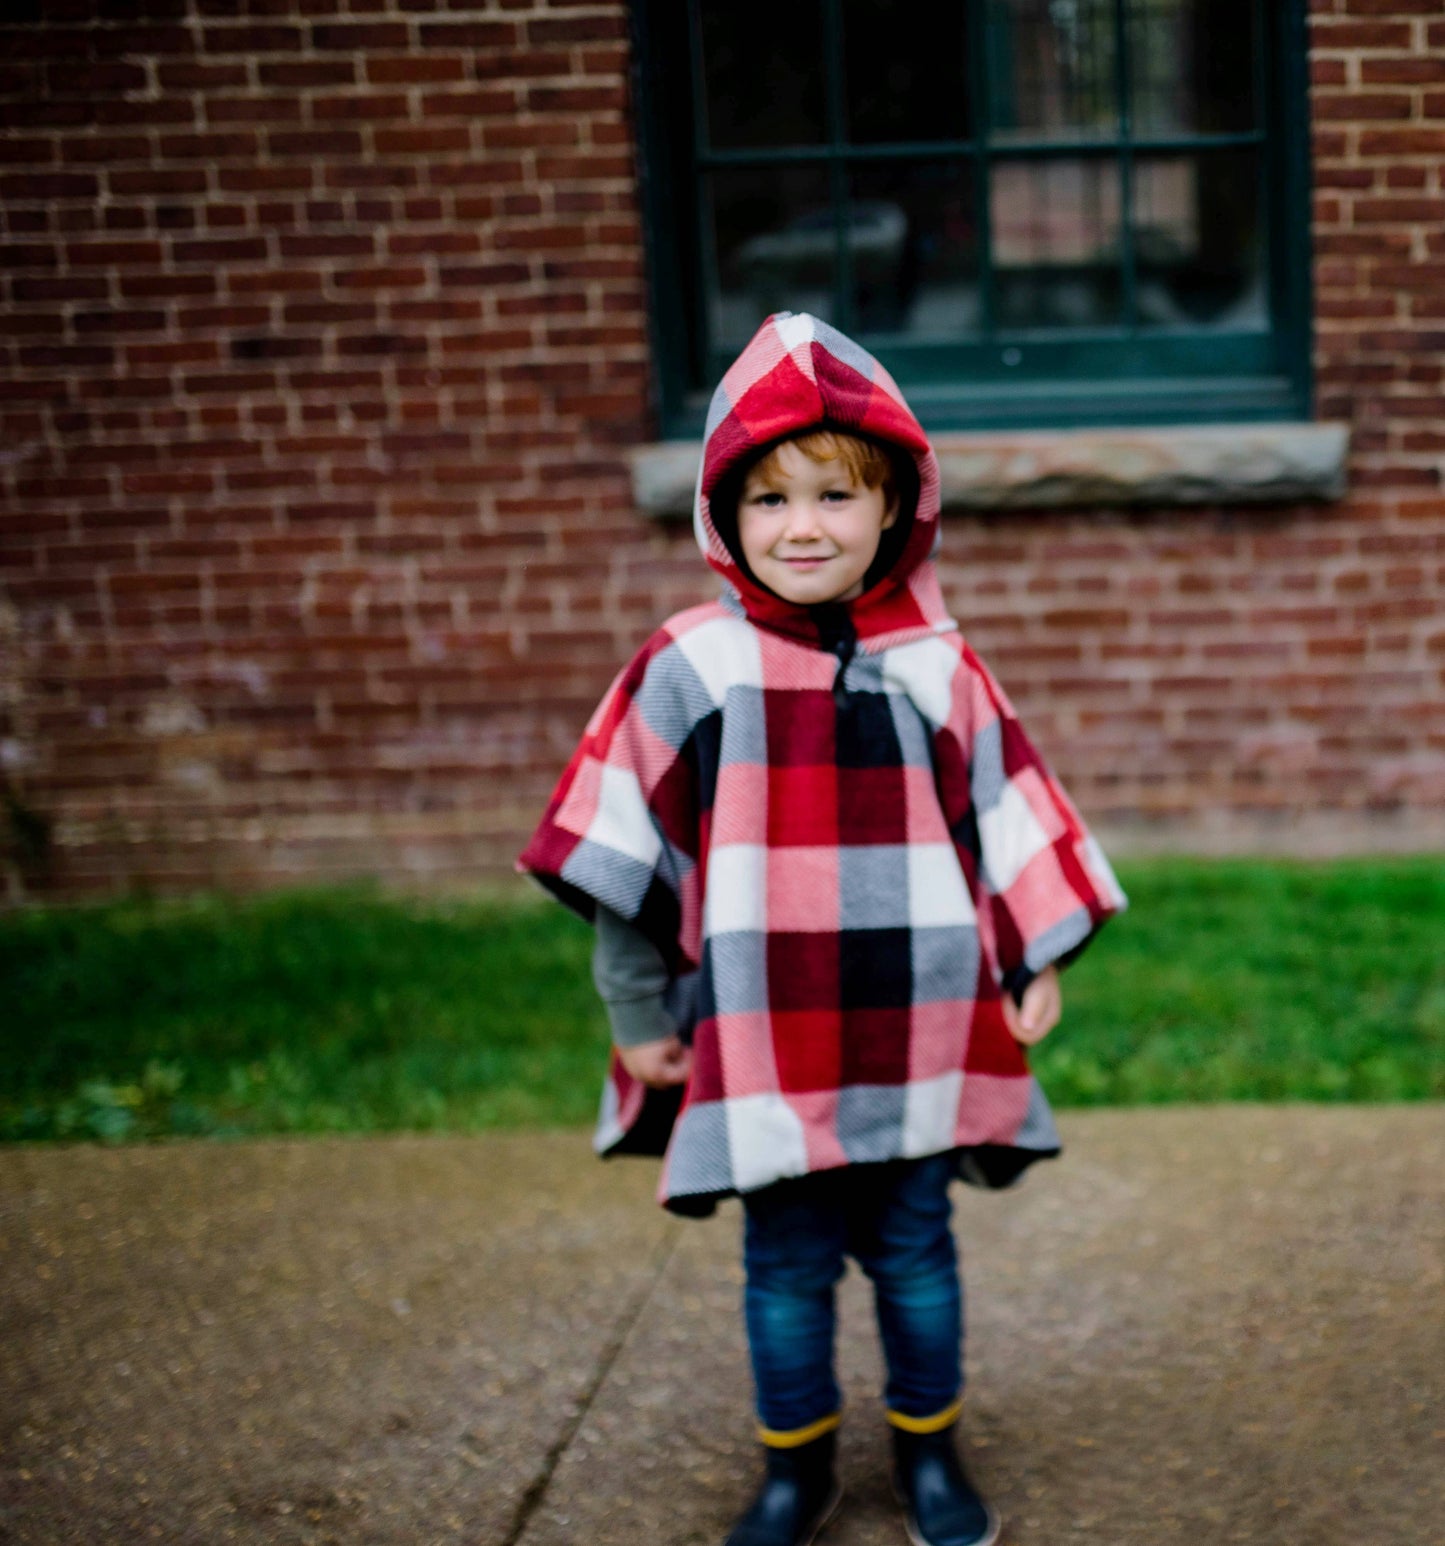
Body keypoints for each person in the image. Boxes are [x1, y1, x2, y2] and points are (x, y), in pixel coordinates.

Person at [519, 312, 1126, 1546]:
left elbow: (1006, 816)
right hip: (763, 1026)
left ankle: (929, 1457)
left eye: (834, 494)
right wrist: (637, 1014)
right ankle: (795, 1471)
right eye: (767, 500)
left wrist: (1031, 951)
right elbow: (624, 853)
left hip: (919, 1016)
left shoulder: (937, 668)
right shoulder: (691, 665)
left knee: (913, 1251)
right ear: (722, 515)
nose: (801, 526)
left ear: (894, 503)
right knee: (785, 1263)